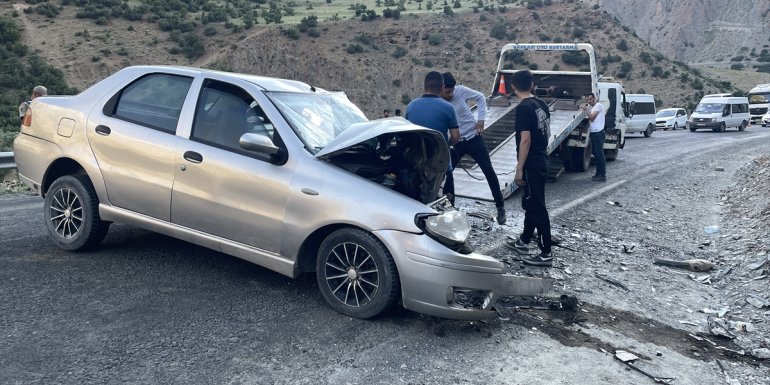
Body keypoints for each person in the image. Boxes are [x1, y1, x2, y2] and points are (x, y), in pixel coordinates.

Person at [441, 72, 507, 225]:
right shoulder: (438, 99)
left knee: (488, 170)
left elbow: (480, 97)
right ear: (441, 88)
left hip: (473, 138)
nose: (449, 94)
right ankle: (450, 207)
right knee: (447, 172)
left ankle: (500, 207)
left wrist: (481, 120)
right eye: (446, 92)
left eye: (451, 91)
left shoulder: (461, 91)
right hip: (456, 142)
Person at [504, 70, 553, 267]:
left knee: (537, 207)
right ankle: (524, 241)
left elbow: (525, 140)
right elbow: (546, 132)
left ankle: (546, 252)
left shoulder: (524, 108)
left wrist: (519, 169)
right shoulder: (541, 103)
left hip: (532, 163)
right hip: (542, 157)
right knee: (530, 202)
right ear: (532, 84)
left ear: (513, 86)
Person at [405, 71, 460, 203]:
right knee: (448, 200)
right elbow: (456, 136)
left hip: (416, 162)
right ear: (442, 88)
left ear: (424, 87)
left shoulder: (411, 106)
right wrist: (447, 144)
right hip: (440, 163)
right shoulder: (448, 108)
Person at [583, 92, 606, 182]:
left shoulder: (598, 106)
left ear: (594, 98)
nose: (589, 101)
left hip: (598, 133)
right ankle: (598, 173)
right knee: (596, 154)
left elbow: (592, 118)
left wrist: (586, 110)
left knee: (599, 155)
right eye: (587, 99)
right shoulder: (592, 108)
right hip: (594, 133)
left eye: (590, 99)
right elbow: (591, 122)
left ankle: (602, 175)